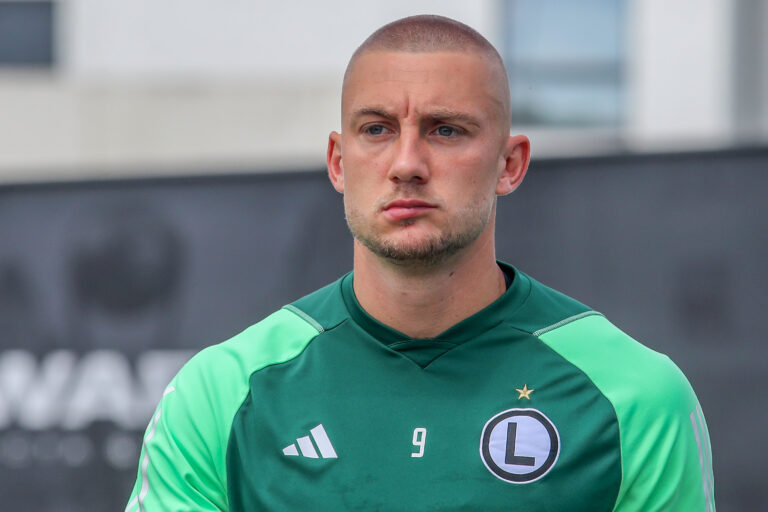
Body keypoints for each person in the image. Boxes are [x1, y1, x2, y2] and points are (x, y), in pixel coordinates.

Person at [125, 15, 715, 511]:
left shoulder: (635, 398)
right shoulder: (222, 395)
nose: (407, 163)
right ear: (338, 161)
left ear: (510, 164)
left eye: (447, 130)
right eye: (377, 129)